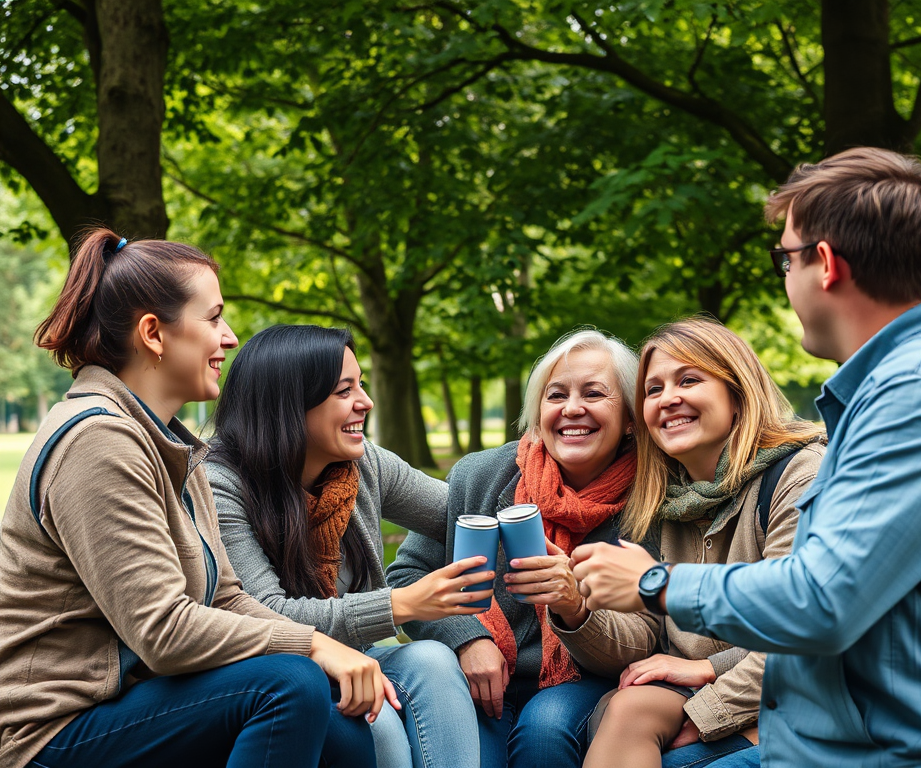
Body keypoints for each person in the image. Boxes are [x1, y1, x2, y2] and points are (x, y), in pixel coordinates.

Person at [572, 147, 921, 766]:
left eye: (784, 258)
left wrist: (653, 583)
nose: (783, 276)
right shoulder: (895, 390)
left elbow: (822, 603)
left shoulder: (920, 397)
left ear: (827, 265)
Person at [0, 229, 397, 768]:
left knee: (345, 733)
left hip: (131, 700)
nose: (230, 338)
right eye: (213, 318)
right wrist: (313, 646)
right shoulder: (97, 442)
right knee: (288, 684)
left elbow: (227, 598)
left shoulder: (172, 445)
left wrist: (320, 643)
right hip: (54, 730)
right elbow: (163, 631)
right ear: (154, 334)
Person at [207, 324, 486, 768]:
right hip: (278, 671)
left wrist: (531, 487)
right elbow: (267, 612)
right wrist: (401, 603)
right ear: (289, 404)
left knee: (432, 659)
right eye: (344, 390)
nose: (366, 402)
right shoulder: (220, 486)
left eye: (362, 385)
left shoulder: (362, 465)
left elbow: (462, 512)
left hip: (360, 656)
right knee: (379, 724)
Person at [560, 318, 823, 768]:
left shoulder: (799, 476)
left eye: (689, 380)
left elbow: (804, 630)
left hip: (799, 697)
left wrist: (707, 703)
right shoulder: (660, 497)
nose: (669, 399)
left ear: (737, 395)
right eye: (653, 389)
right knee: (618, 709)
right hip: (690, 692)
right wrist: (573, 606)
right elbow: (642, 638)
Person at [387, 329, 647, 768]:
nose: (572, 409)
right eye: (556, 395)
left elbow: (648, 633)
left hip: (589, 676)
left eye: (594, 393)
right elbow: (407, 576)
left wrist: (575, 606)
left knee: (543, 730)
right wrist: (467, 638)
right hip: (479, 676)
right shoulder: (482, 475)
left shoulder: (652, 496)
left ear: (630, 418)